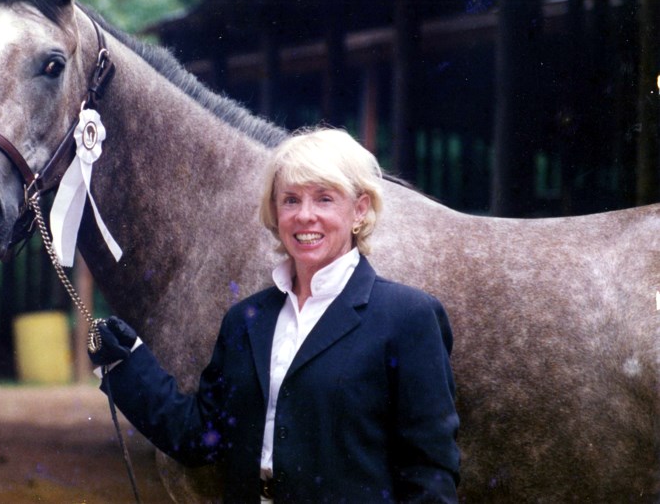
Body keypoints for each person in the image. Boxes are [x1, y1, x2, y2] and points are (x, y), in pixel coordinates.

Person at [90, 127, 460, 503]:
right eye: (291, 200)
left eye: (325, 199)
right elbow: (201, 436)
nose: (305, 216)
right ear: (275, 211)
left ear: (360, 210)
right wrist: (126, 363)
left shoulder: (409, 317)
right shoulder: (246, 320)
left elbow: (429, 472)